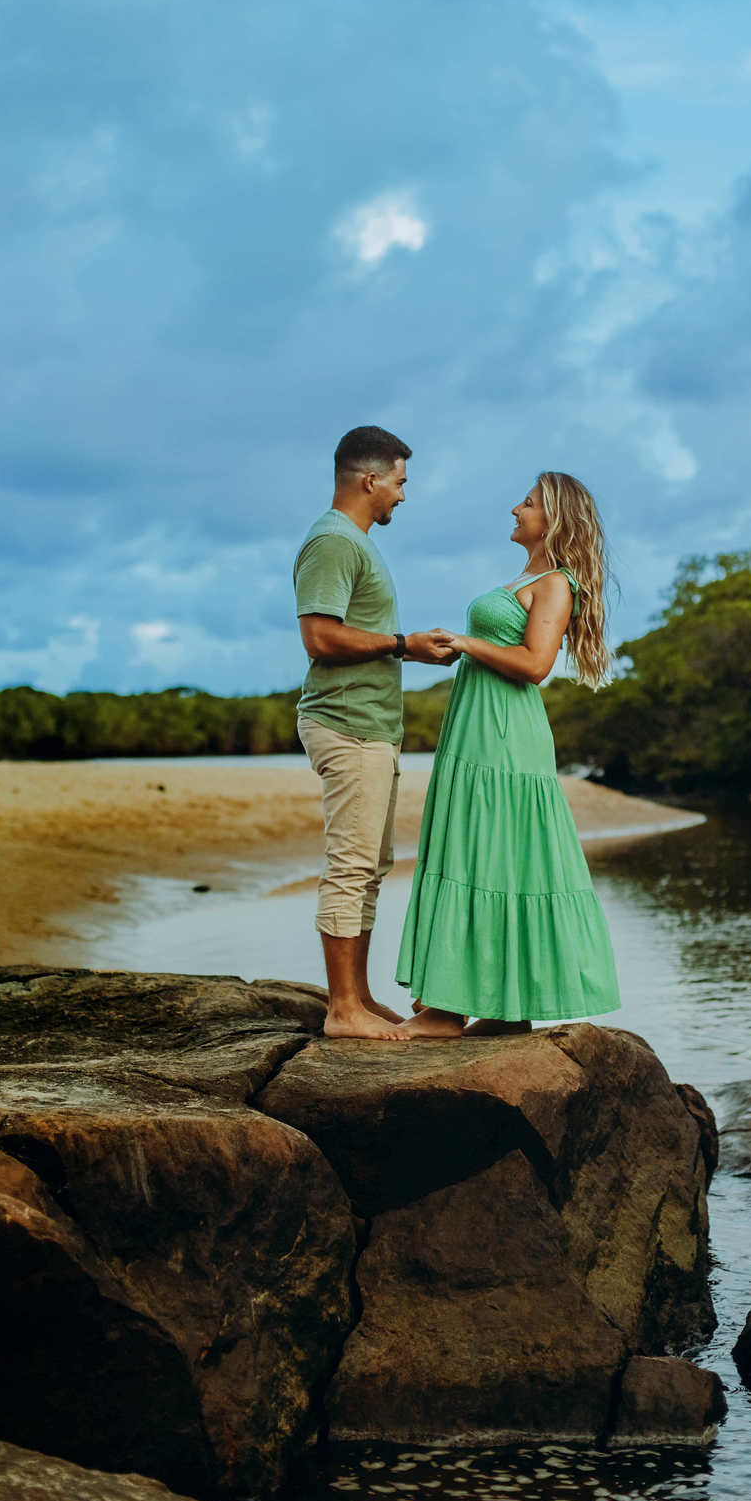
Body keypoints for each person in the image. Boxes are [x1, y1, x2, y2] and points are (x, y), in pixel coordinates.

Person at [396, 471, 621, 1038]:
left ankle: (452, 1010)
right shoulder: (529, 576)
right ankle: (502, 1009)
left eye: (527, 502)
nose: (515, 509)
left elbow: (536, 664)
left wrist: (468, 642)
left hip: (503, 734)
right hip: (477, 726)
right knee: (483, 850)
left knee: (491, 853)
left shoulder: (556, 583)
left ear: (555, 517)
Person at [294, 425, 457, 1041]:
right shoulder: (333, 542)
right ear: (370, 480)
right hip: (347, 725)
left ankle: (358, 996)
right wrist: (404, 645)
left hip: (371, 728)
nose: (403, 495)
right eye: (400, 482)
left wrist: (411, 649)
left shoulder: (355, 543)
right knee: (352, 865)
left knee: (372, 865)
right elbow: (319, 637)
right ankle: (342, 1011)